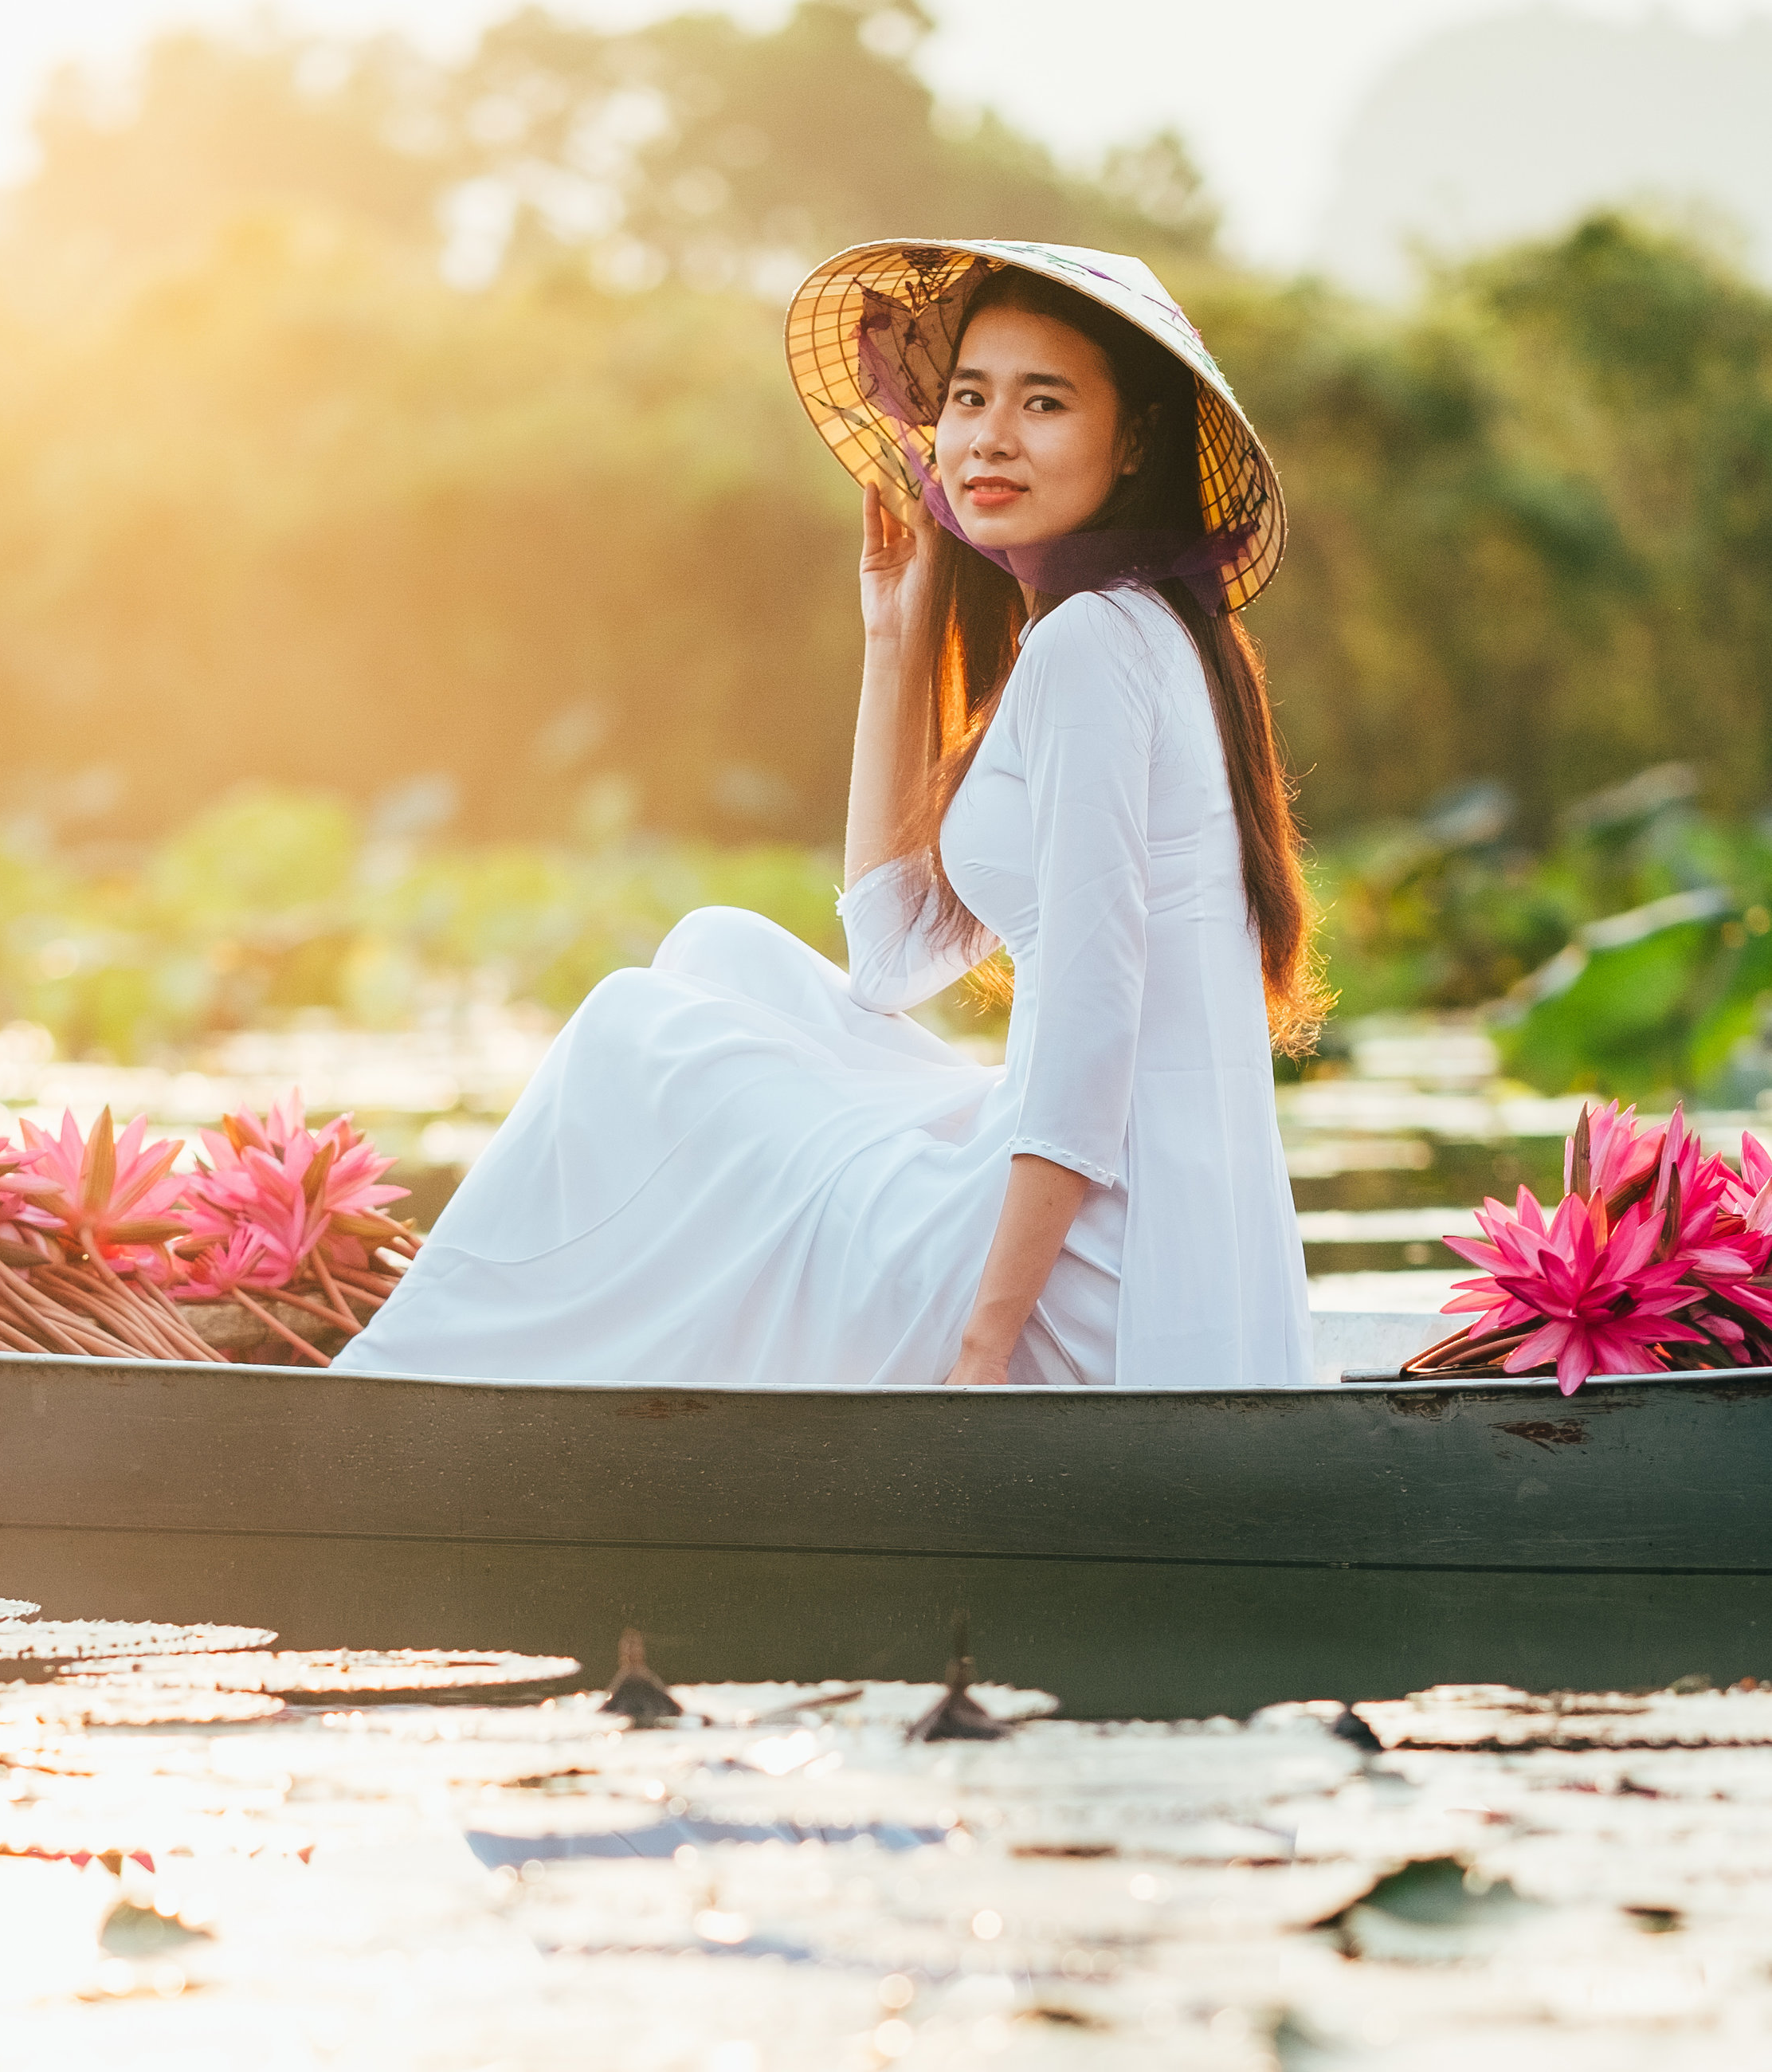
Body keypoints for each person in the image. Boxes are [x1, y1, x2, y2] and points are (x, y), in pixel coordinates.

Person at [337, 239, 1322, 1391]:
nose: (990, 436)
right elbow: (891, 955)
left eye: (1043, 402)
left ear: (1136, 440)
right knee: (717, 949)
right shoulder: (1142, 629)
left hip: (1097, 1289)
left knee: (627, 1033)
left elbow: (1092, 1034)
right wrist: (895, 642)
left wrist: (981, 1344)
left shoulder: (1093, 646)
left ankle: (394, 1390)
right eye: (968, 397)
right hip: (1149, 1250)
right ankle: (483, 1371)